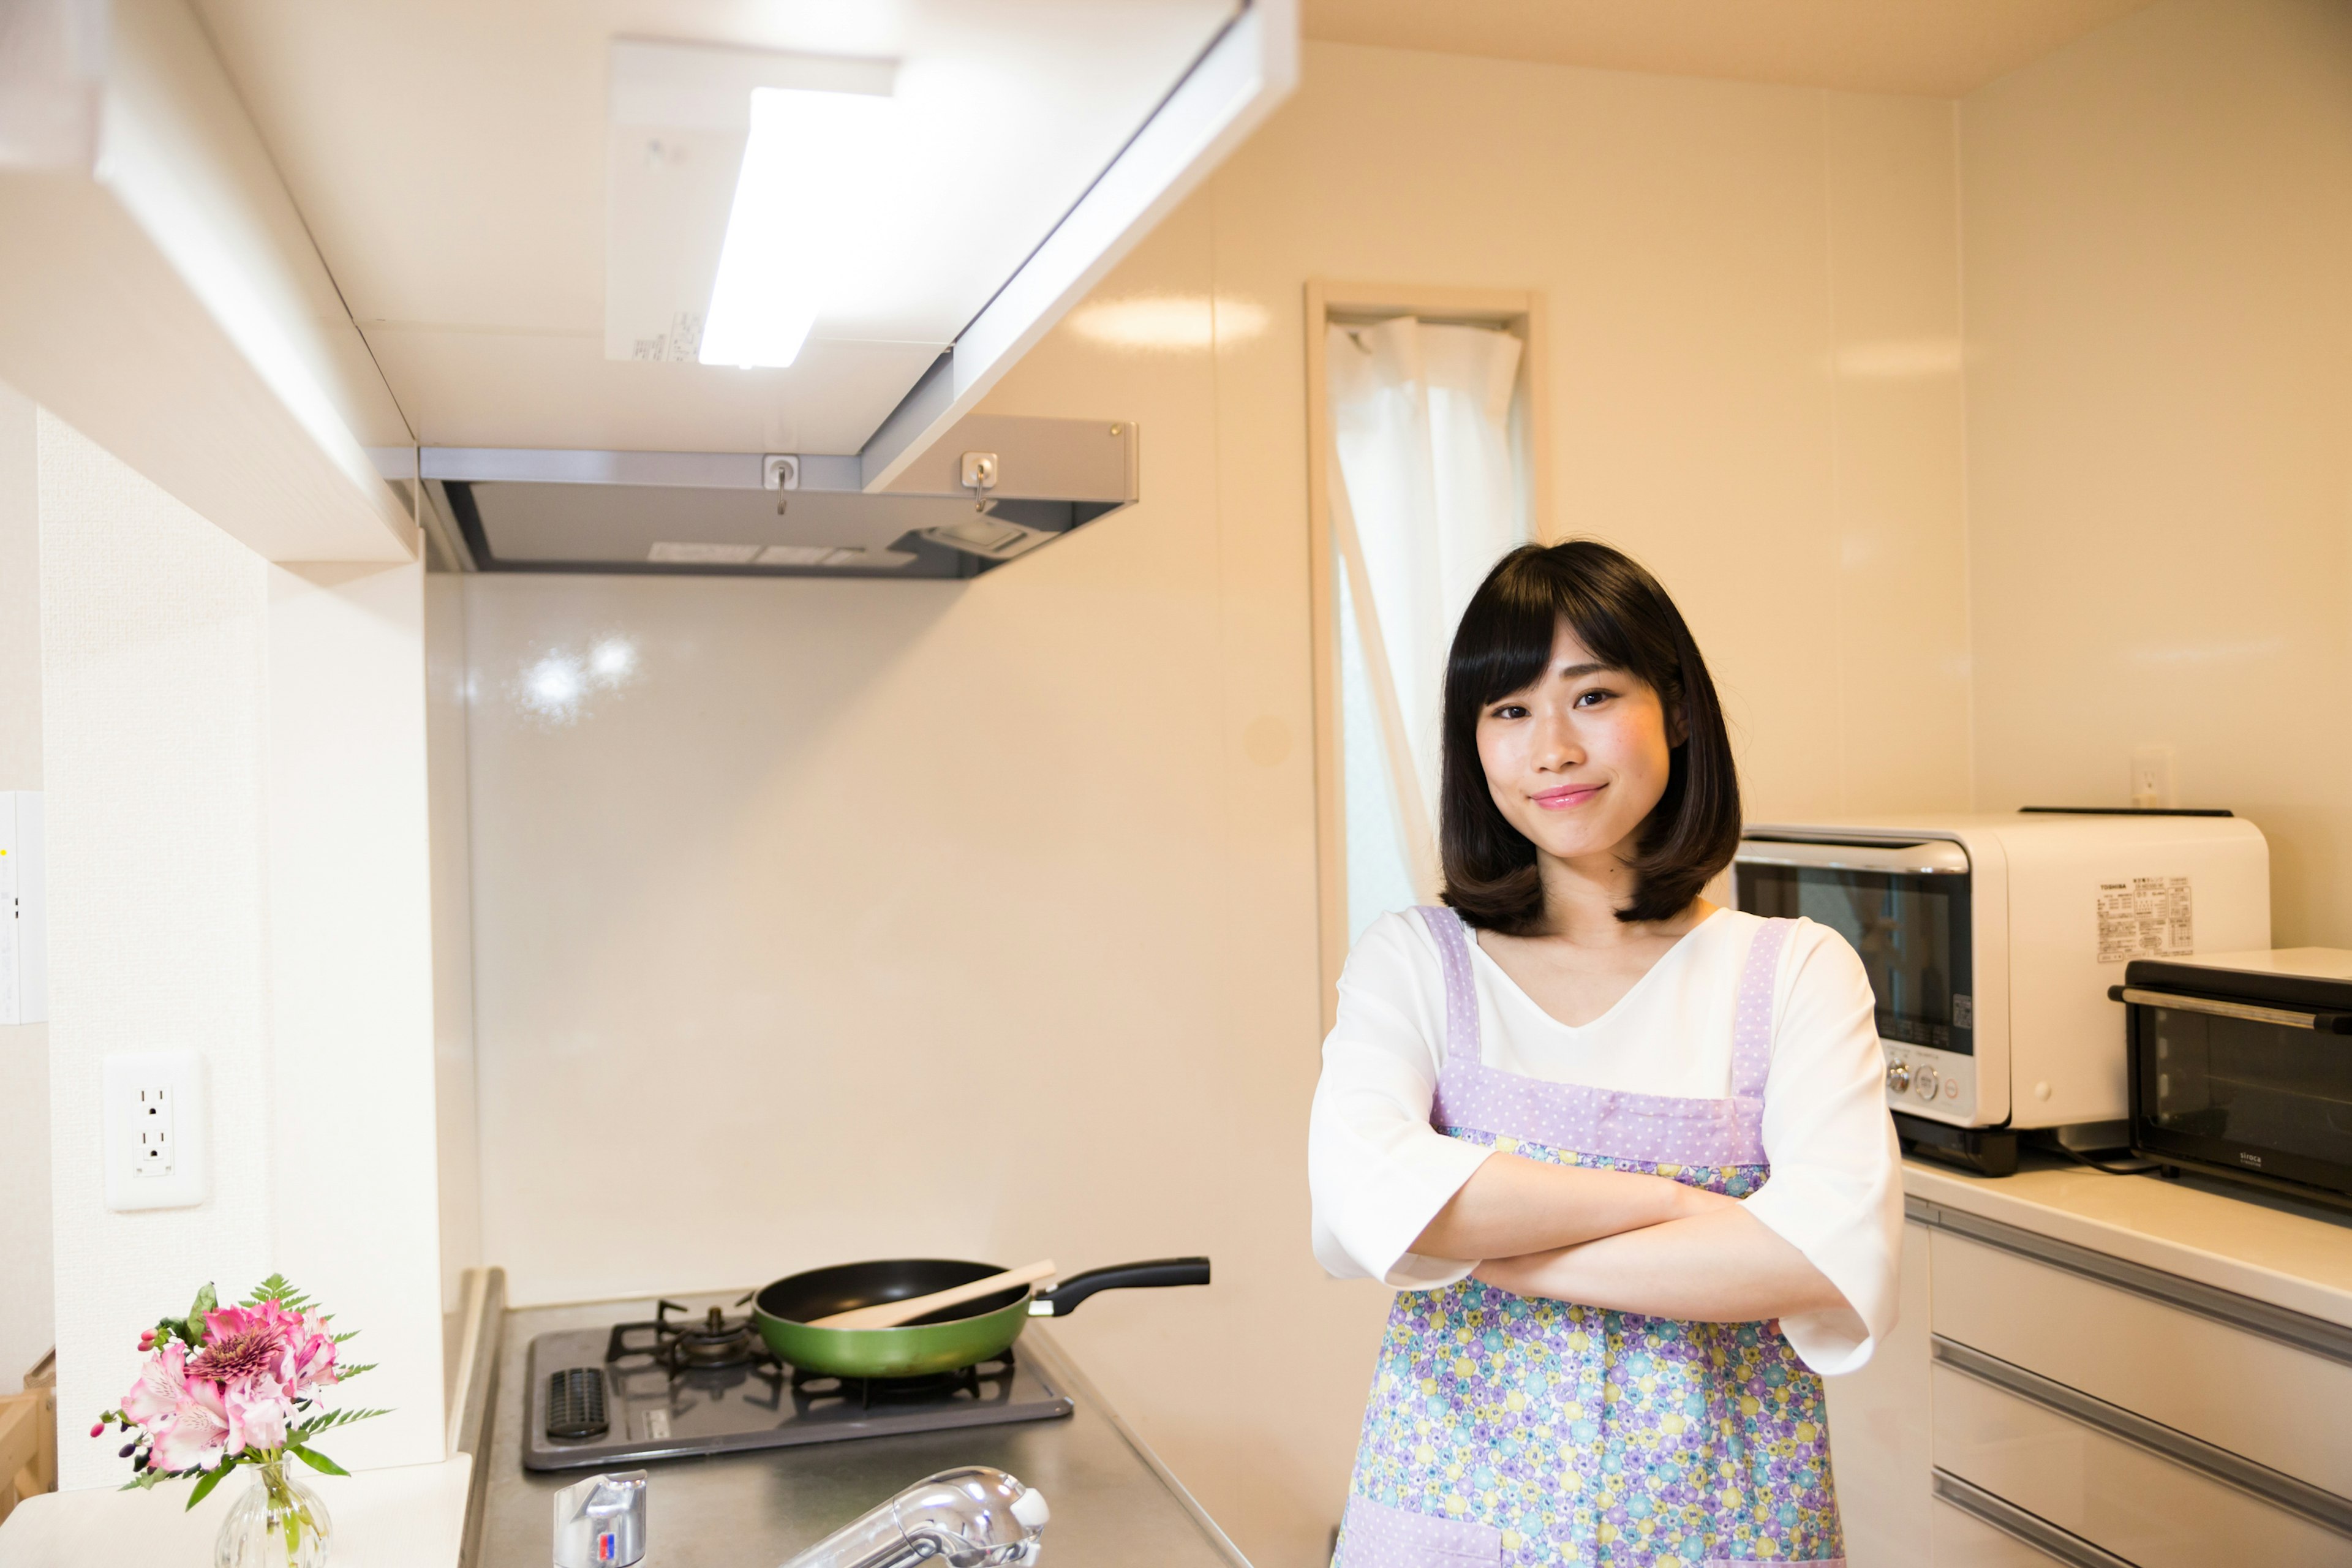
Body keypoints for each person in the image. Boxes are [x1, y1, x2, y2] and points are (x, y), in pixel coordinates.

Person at [1310, 540, 1900, 1567]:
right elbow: (1360, 1196)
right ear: (1474, 744)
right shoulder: (1414, 960)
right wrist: (1680, 1205)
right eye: (1509, 711)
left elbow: (1816, 1255)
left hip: (1724, 1528)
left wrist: (1471, 1244)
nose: (1552, 749)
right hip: (1453, 1529)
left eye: (1591, 697)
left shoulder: (1796, 970)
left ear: (1673, 708)